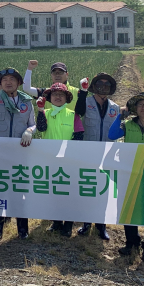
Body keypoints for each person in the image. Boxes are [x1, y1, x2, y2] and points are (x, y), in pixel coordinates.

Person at [108, 92, 144, 263]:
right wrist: (120, 115)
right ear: (135, 108)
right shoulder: (127, 125)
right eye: (140, 104)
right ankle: (131, 243)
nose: (143, 108)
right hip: (131, 175)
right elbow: (112, 135)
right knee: (130, 210)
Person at [0, 64, 35, 242]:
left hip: (19, 153)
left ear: (18, 83)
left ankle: (22, 229)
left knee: (19, 191)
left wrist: (30, 131)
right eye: (4, 80)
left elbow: (32, 123)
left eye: (12, 79)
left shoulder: (26, 102)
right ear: (0, 83)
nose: (8, 82)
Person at [34, 84, 85, 237]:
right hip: (49, 160)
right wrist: (41, 111)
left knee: (69, 193)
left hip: (68, 161)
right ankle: (56, 222)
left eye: (61, 95)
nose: (57, 97)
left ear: (67, 98)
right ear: (49, 98)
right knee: (53, 192)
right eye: (54, 94)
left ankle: (68, 225)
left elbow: (79, 136)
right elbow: (41, 129)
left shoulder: (73, 115)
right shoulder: (45, 112)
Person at [75, 72, 120, 240]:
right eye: (99, 84)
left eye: (106, 85)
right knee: (88, 188)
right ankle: (86, 222)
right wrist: (83, 92)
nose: (103, 87)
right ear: (94, 87)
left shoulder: (115, 108)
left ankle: (101, 225)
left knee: (104, 189)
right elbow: (78, 112)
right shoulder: (85, 102)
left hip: (107, 154)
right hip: (88, 153)